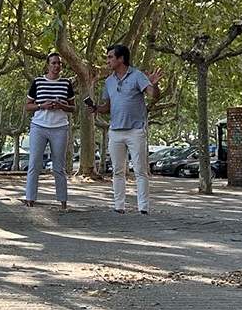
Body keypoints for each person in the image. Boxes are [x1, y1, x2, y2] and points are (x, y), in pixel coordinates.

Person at [89, 44, 161, 214]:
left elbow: (153, 95)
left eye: (110, 57)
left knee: (140, 170)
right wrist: (96, 108)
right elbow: (107, 107)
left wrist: (155, 84)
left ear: (121, 59)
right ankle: (119, 206)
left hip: (136, 130)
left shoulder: (137, 75)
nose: (107, 61)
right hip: (115, 131)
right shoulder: (108, 81)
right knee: (117, 171)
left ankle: (143, 208)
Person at [23, 52, 76, 208]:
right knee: (34, 163)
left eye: (59, 63)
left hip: (60, 128)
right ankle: (30, 198)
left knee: (59, 166)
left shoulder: (66, 83)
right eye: (53, 63)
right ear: (48, 65)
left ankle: (63, 201)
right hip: (39, 126)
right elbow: (27, 106)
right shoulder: (38, 82)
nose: (56, 66)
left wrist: (62, 105)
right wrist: (42, 105)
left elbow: (73, 108)